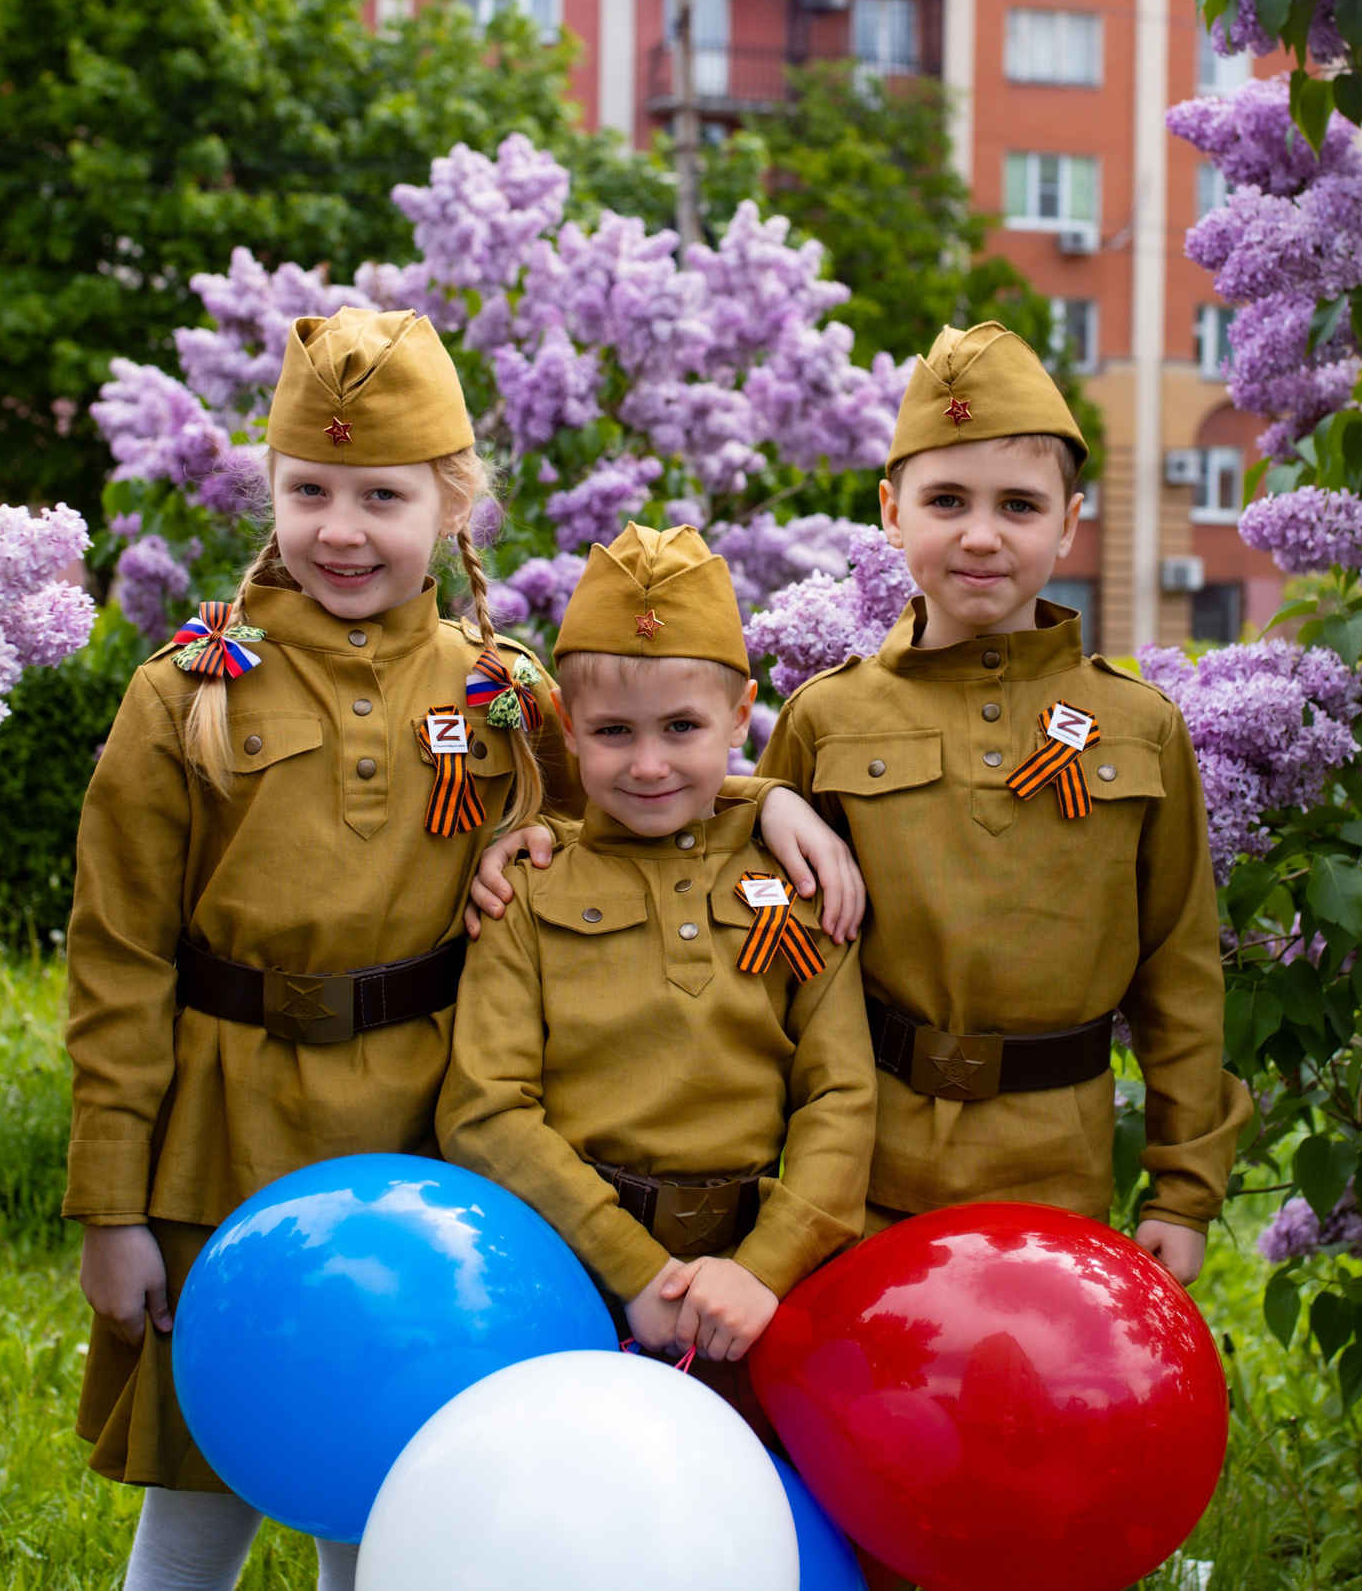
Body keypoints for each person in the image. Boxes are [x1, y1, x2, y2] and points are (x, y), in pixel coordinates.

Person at [62, 313, 854, 1591]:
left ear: (453, 503)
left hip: (422, 1138)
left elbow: (641, 784)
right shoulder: (187, 694)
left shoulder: (501, 692)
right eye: (308, 489)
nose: (341, 527)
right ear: (267, 489)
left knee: (391, 1465)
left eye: (382, 495)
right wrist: (112, 1204)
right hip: (220, 1132)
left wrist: (773, 799)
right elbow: (115, 960)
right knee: (204, 1469)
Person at [757, 322, 1254, 1286]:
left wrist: (1183, 1189)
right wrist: (762, 798)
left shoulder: (1140, 727)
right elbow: (760, 945)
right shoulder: (827, 718)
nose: (981, 534)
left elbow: (1180, 975)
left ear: (1069, 523)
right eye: (947, 500)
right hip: (862, 1166)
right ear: (893, 514)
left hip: (1056, 1173)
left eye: (1018, 506)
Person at [439, 523, 875, 1422]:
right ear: (566, 722)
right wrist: (632, 1269)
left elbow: (840, 1098)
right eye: (611, 731)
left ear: (740, 712)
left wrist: (762, 1269)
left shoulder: (795, 878)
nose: (647, 763)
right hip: (570, 1275)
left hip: (756, 1293)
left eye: (682, 727)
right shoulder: (526, 886)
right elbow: (485, 1110)